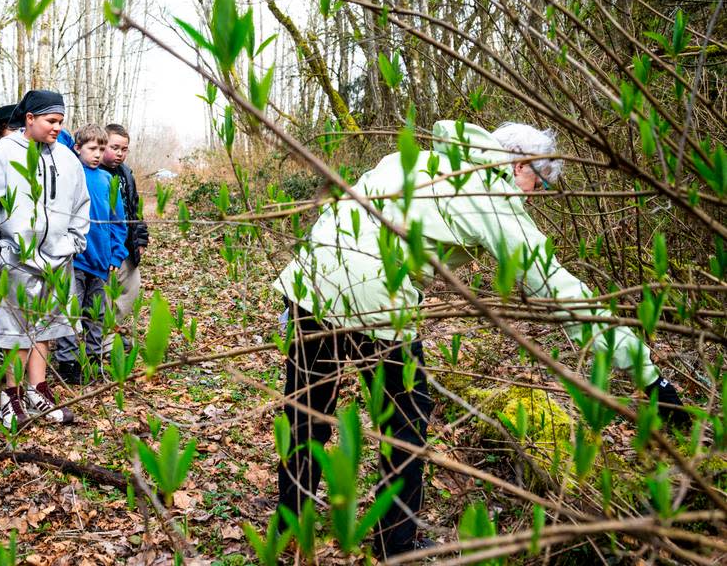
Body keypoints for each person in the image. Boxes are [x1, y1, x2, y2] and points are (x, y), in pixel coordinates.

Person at [275, 120, 687, 558]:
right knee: (406, 417)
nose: (533, 196)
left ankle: (287, 526)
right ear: (521, 163)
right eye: (538, 183)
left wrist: (306, 286)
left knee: (307, 407)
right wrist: (649, 378)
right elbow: (560, 289)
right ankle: (395, 543)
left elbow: (343, 206)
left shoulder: (419, 157)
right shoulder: (492, 194)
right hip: (376, 293)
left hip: (314, 276)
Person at [0, 90, 91, 428]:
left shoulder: (67, 159)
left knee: (46, 328)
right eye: (50, 121)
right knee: (15, 331)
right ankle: (10, 398)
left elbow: (80, 204)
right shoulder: (0, 156)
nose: (57, 128)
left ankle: (37, 390)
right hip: (15, 259)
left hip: (57, 259)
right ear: (29, 119)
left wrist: (74, 242)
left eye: (60, 121)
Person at [55, 125, 128, 384]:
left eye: (101, 148)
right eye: (92, 149)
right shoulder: (70, 171)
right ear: (77, 149)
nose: (97, 154)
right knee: (70, 311)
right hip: (75, 258)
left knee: (95, 313)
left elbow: (118, 221)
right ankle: (68, 361)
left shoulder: (108, 180)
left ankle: (94, 359)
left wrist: (115, 255)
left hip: (101, 260)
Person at [101, 124, 149, 320]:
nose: (120, 153)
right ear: (103, 144)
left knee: (131, 289)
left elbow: (135, 207)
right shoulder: (92, 171)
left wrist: (141, 239)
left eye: (124, 149)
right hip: (105, 245)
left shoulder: (126, 173)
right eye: (114, 147)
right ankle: (102, 338)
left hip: (127, 244)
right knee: (103, 295)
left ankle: (113, 329)